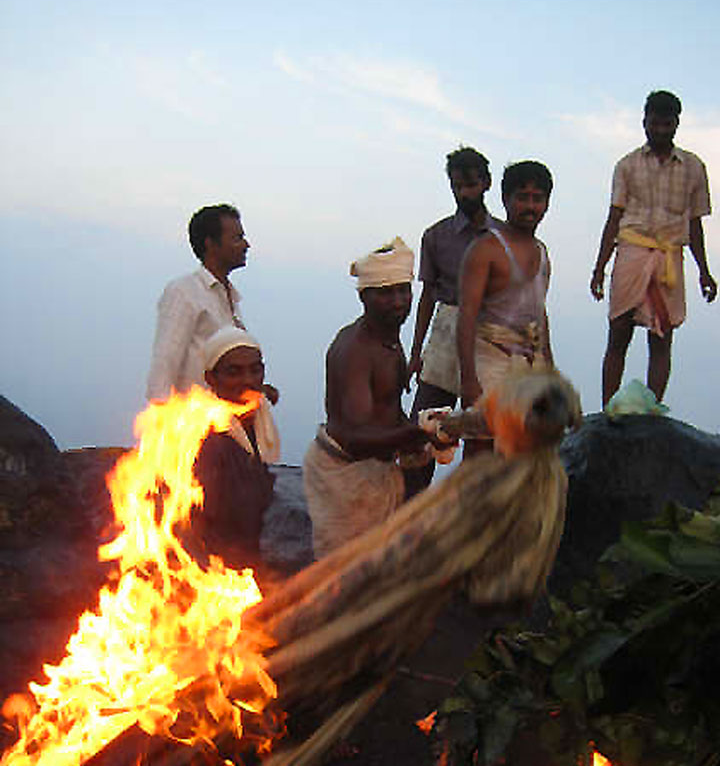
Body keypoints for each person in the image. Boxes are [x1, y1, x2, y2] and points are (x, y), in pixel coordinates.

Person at [303, 238, 435, 560]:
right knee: (345, 578)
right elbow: (355, 437)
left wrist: (428, 434)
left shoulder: (389, 338)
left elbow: (387, 409)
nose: (397, 301)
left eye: (403, 290)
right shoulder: (356, 351)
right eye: (385, 293)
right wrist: (418, 433)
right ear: (364, 296)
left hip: (375, 470)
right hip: (346, 477)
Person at [590, 90, 718, 406]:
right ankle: (608, 408)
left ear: (676, 124)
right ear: (644, 122)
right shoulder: (627, 165)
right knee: (619, 332)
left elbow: (695, 224)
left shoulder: (693, 167)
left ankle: (653, 410)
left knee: (662, 336)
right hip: (632, 251)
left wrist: (705, 271)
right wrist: (599, 267)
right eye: (655, 123)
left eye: (667, 124)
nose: (660, 130)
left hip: (669, 256)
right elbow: (614, 217)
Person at [404, 146, 503, 496]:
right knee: (425, 428)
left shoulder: (504, 237)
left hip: (490, 336)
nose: (465, 193)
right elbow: (427, 296)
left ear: (486, 183)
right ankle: (410, 512)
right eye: (458, 186)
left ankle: (472, 516)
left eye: (471, 185)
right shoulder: (436, 236)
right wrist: (415, 353)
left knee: (484, 433)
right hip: (446, 332)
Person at [457, 161, 555, 430]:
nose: (530, 207)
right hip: (490, 362)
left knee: (529, 450)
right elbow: (466, 315)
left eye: (538, 199)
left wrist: (549, 371)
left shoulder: (542, 253)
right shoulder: (486, 249)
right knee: (483, 451)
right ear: (506, 200)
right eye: (522, 198)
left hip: (529, 365)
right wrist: (468, 380)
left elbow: (539, 314)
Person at [190, 326, 280, 569]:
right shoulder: (205, 437)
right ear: (211, 378)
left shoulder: (259, 421)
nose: (248, 380)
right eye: (234, 372)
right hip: (221, 570)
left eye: (255, 370)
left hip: (256, 553)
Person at [147, 204, 251, 400]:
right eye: (237, 238)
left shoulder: (230, 297)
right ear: (211, 243)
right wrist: (161, 419)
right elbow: (165, 360)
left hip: (225, 420)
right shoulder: (184, 292)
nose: (246, 245)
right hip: (195, 421)